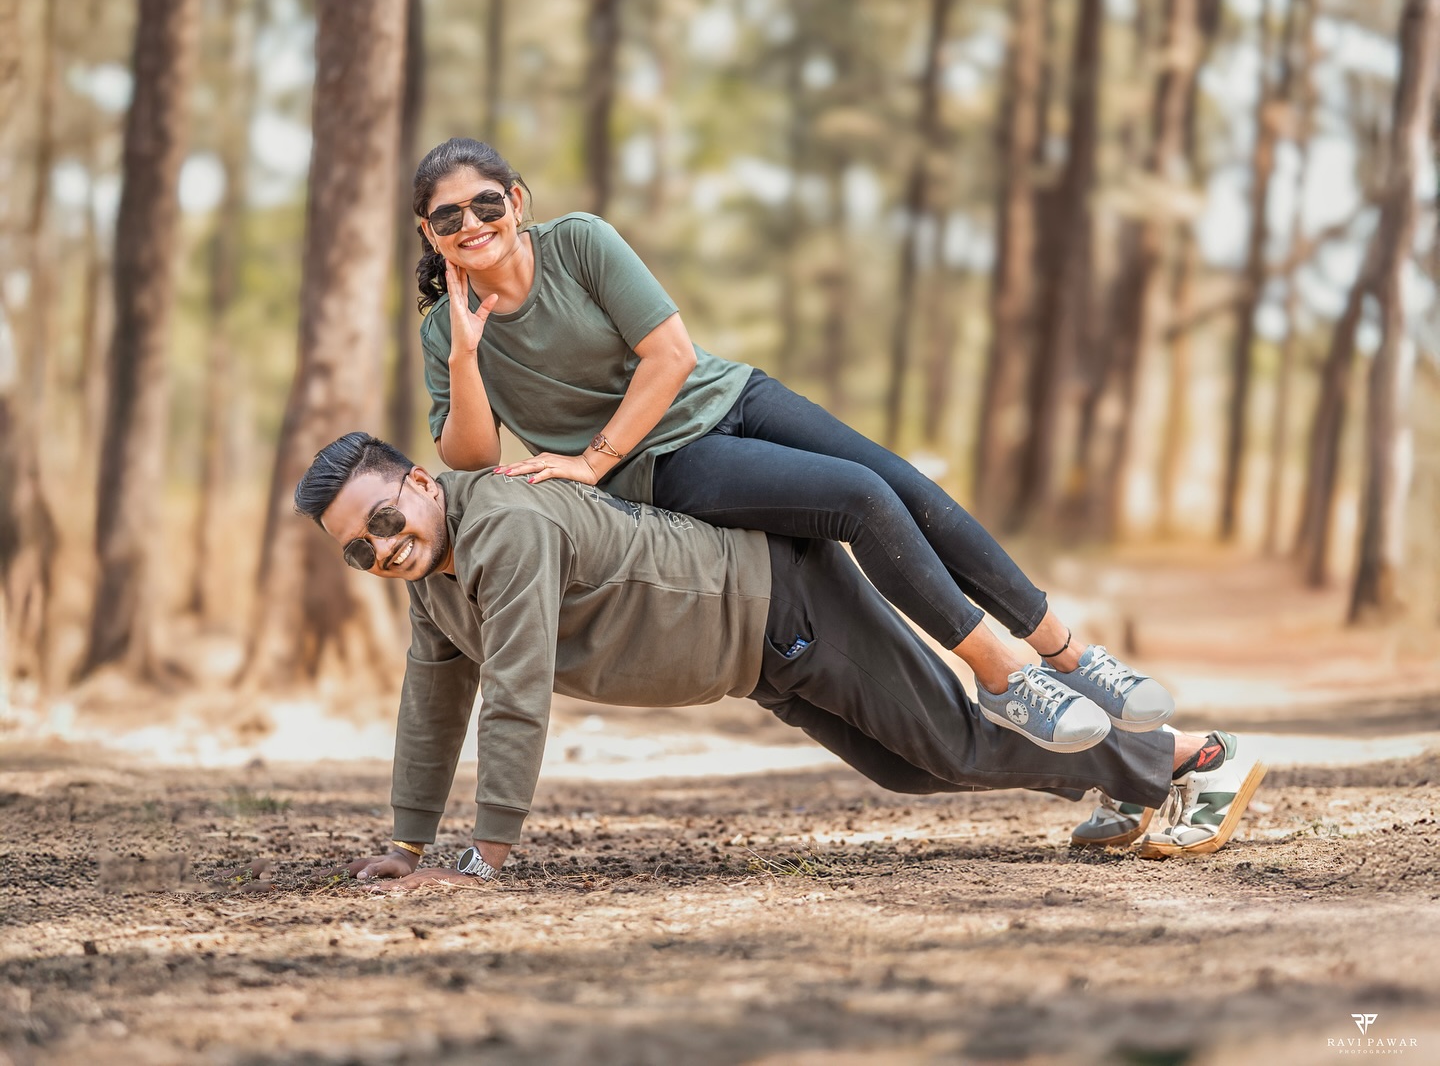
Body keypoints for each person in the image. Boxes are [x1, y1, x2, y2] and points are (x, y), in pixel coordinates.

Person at [411, 137, 1166, 763]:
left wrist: (588, 457)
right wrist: (467, 358)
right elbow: (470, 455)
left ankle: (1068, 657)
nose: (472, 224)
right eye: (449, 218)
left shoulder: (578, 242)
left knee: (900, 483)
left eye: (487, 203)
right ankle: (1000, 674)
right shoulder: (445, 331)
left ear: (515, 199)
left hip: (731, 395)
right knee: (857, 500)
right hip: (660, 463)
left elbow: (669, 356)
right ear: (429, 234)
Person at [291, 433, 1267, 890]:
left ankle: (1186, 760)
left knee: (956, 742)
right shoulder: (434, 579)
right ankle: (1126, 783)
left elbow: (512, 692)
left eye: (385, 520)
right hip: (760, 654)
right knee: (914, 764)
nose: (382, 548)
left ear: (419, 483)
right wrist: (410, 840)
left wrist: (482, 861)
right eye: (358, 549)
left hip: (782, 602)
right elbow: (432, 700)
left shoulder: (497, 524)